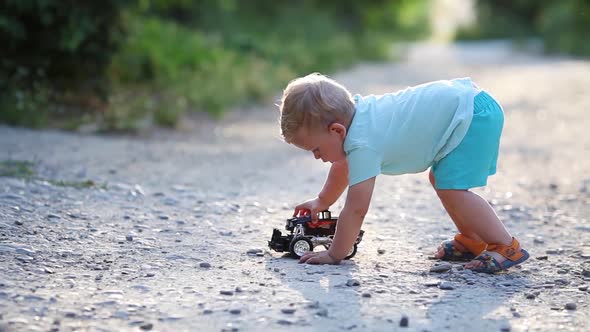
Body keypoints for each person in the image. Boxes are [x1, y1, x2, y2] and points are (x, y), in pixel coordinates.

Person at [277, 73, 529, 273]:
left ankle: (505, 246)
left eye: (316, 149)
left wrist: (335, 253)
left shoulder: (363, 143)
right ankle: (472, 239)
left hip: (472, 115)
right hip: (467, 106)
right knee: (443, 181)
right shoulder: (358, 119)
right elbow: (342, 166)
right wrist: (322, 201)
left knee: (452, 187)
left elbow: (356, 209)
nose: (317, 156)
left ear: (337, 131)